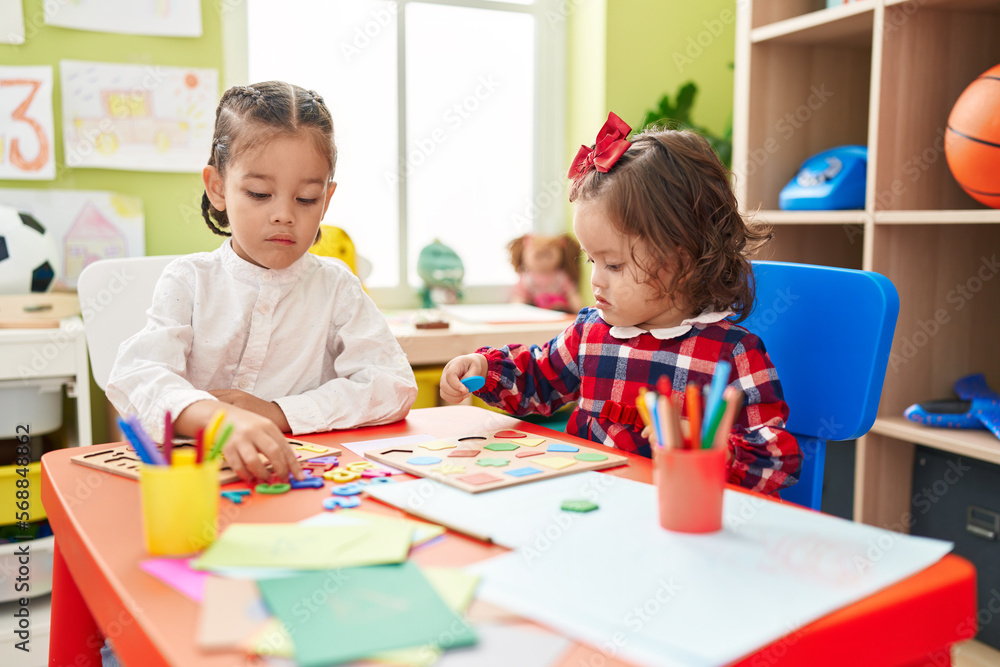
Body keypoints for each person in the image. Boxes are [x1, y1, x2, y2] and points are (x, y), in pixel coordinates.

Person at [440, 113, 800, 496]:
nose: (595, 279)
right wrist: (485, 368)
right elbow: (536, 381)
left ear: (679, 260)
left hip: (678, 523)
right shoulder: (591, 333)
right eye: (591, 260)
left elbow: (777, 460)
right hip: (591, 510)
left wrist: (710, 451)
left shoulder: (732, 353)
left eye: (613, 264)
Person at [108, 81, 417, 484]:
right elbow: (137, 378)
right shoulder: (189, 280)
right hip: (197, 488)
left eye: (306, 198)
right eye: (259, 193)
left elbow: (391, 385)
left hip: (302, 484)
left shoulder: (337, 287)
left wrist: (276, 411)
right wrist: (216, 419)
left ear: (326, 199)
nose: (284, 215)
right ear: (217, 187)